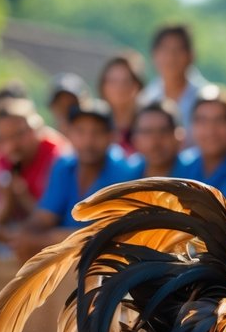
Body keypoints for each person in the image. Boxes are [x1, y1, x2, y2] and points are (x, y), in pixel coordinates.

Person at [8, 99, 141, 262]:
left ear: (112, 136)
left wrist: (40, 240)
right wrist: (21, 236)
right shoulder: (64, 166)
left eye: (97, 132)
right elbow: (43, 218)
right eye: (80, 131)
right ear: (69, 133)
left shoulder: (124, 173)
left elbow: (105, 236)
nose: (88, 140)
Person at [0, 97, 69, 267]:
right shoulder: (3, 158)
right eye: (4, 138)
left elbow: (51, 220)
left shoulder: (59, 157)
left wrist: (20, 196)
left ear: (37, 127)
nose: (11, 144)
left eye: (19, 134)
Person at [138, 24, 208, 141]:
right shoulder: (145, 99)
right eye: (165, 50)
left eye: (178, 50)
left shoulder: (206, 98)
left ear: (191, 55)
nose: (171, 57)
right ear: (154, 55)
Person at [97, 52, 145, 153]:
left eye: (125, 81)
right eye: (113, 81)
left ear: (137, 85)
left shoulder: (147, 125)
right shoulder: (94, 125)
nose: (119, 88)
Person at [131, 100, 183, 178]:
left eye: (163, 131)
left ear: (178, 136)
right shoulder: (126, 177)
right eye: (147, 132)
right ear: (135, 139)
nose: (155, 140)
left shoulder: (197, 181)